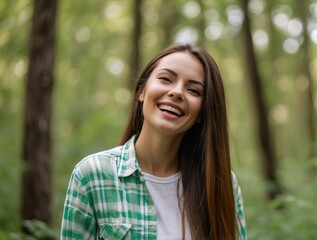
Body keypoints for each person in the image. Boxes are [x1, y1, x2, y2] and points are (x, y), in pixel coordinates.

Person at [60, 44, 247, 239]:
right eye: (166, 79)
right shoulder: (92, 175)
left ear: (202, 112)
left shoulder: (222, 183)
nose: (177, 92)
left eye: (193, 90)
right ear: (142, 91)